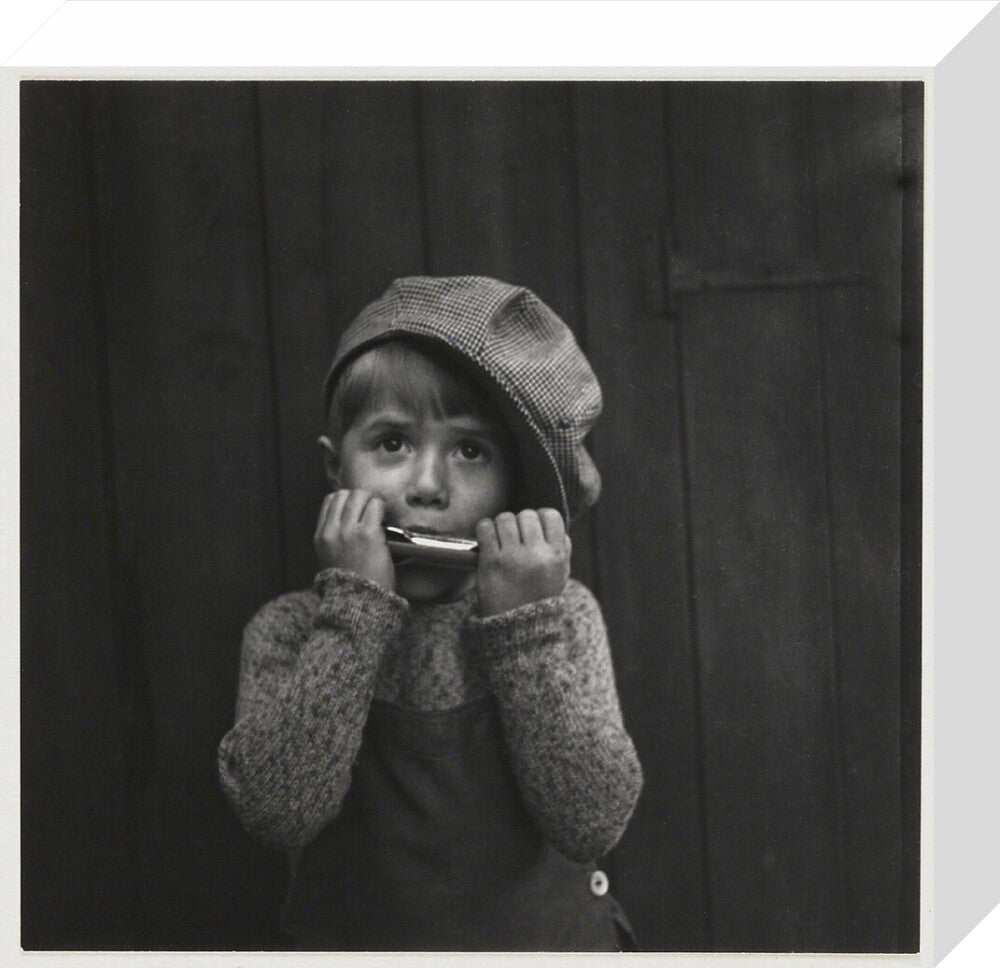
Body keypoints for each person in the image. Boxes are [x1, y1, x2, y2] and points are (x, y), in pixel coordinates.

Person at [217, 276, 643, 951]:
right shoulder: (290, 631)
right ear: (337, 472)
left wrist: (522, 632)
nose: (427, 485)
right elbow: (278, 813)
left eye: (470, 451)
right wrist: (353, 612)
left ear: (515, 489)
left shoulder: (560, 616)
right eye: (392, 443)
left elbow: (592, 821)